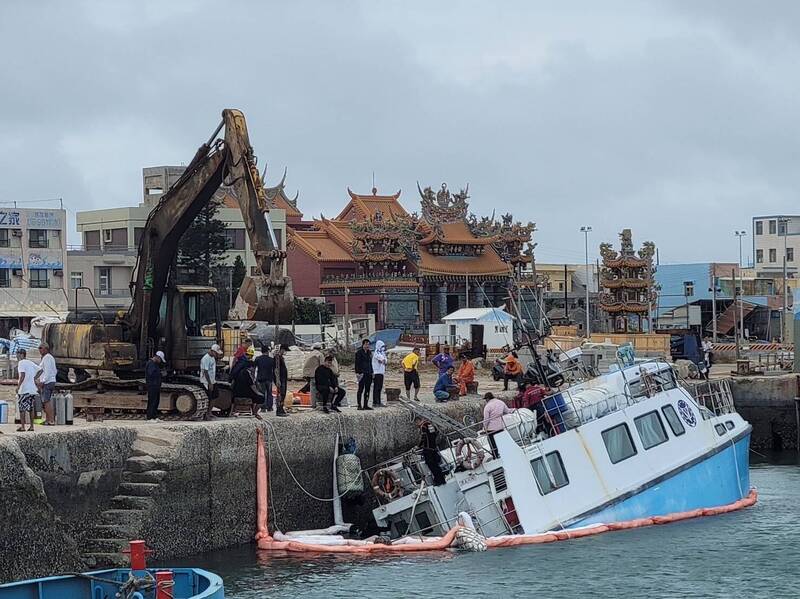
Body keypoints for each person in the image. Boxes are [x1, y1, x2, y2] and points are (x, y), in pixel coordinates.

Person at [231, 347, 264, 419]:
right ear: (251, 367)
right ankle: (255, 412)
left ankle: (232, 411)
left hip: (236, 393)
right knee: (261, 398)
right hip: (245, 393)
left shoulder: (238, 370)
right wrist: (258, 393)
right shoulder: (247, 374)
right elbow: (252, 386)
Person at [416, 417, 446, 486]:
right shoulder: (430, 424)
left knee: (432, 466)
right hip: (434, 448)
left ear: (418, 421)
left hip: (428, 450)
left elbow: (423, 437)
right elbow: (436, 432)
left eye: (416, 423)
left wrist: (418, 446)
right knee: (436, 466)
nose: (417, 425)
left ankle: (438, 480)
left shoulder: (423, 426)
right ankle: (442, 479)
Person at [483, 392, 512, 457]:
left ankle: (495, 455)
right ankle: (506, 453)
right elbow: (507, 411)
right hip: (500, 427)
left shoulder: (488, 406)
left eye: (486, 399)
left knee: (493, 443)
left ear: (487, 399)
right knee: (501, 441)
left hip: (491, 429)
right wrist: (513, 410)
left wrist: (484, 428)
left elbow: (486, 419)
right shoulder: (500, 402)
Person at [16, 349, 38, 431]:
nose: (17, 356)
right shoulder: (30, 362)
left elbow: (22, 375)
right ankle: (32, 426)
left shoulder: (21, 363)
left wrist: (18, 387)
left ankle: (22, 426)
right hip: (32, 389)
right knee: (31, 408)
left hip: (24, 389)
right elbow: (40, 370)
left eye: (18, 354)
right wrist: (34, 378)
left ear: (22, 355)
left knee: (22, 408)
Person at [35, 342, 57, 425]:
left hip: (47, 382)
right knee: (46, 401)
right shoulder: (48, 358)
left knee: (46, 401)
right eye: (39, 348)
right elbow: (54, 371)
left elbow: (47, 371)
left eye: (41, 348)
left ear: (46, 349)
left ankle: (51, 420)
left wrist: (43, 381)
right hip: (51, 381)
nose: (39, 350)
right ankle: (48, 420)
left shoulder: (47, 358)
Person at [199, 344, 222, 420]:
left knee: (214, 396)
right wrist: (209, 383)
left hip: (212, 380)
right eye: (216, 353)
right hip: (206, 381)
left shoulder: (212, 358)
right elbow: (205, 371)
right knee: (208, 397)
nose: (216, 355)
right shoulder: (206, 358)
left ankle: (209, 412)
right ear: (212, 351)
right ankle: (206, 415)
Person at [302, 343, 324, 408]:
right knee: (318, 390)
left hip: (309, 375)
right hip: (317, 375)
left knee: (312, 390)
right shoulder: (320, 354)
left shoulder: (310, 354)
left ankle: (313, 404)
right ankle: (318, 404)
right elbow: (322, 365)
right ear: (320, 348)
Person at [255, 345, 275, 412]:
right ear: (267, 351)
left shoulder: (258, 359)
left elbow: (253, 368)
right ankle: (270, 407)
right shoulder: (271, 360)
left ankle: (263, 407)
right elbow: (275, 370)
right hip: (269, 379)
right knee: (269, 393)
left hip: (260, 378)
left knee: (261, 393)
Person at [354, 339, 373, 410]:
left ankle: (366, 404)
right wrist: (357, 373)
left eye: (368, 344)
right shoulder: (359, 353)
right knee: (360, 389)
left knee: (367, 389)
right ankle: (359, 405)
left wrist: (372, 372)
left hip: (368, 373)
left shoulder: (369, 353)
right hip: (362, 373)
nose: (367, 346)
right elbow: (357, 363)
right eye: (366, 344)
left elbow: (370, 363)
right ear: (363, 345)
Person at [145, 351, 165, 421]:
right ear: (157, 357)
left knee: (156, 401)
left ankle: (154, 416)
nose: (160, 361)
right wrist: (160, 374)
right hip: (152, 385)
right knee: (152, 401)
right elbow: (151, 374)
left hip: (156, 385)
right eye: (160, 360)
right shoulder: (151, 364)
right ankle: (150, 417)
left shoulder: (155, 364)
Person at [274, 344, 290, 417]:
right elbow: (276, 370)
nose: (285, 352)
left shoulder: (281, 358)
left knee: (283, 394)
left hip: (283, 378)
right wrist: (277, 379)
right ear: (282, 349)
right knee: (281, 393)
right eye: (285, 350)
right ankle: (279, 409)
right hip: (280, 379)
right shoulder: (277, 358)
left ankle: (281, 408)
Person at [371, 339, 387, 407]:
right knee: (376, 388)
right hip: (376, 372)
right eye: (382, 346)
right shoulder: (376, 352)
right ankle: (375, 402)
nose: (383, 347)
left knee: (380, 388)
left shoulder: (382, 353)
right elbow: (381, 359)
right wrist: (383, 360)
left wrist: (384, 360)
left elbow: (385, 360)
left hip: (381, 372)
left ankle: (379, 401)